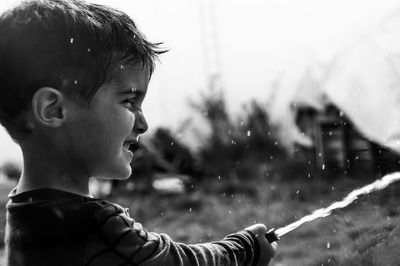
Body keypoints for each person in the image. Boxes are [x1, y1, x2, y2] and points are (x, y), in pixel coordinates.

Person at [0, 0, 277, 265]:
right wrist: (244, 250)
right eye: (129, 101)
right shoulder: (92, 226)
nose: (143, 123)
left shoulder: (25, 211)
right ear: (54, 110)